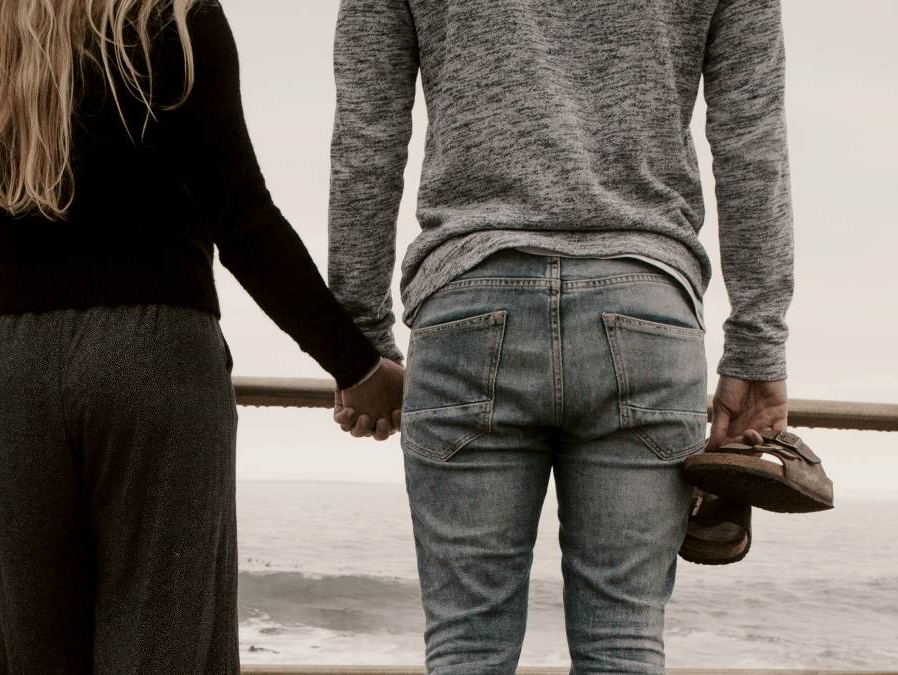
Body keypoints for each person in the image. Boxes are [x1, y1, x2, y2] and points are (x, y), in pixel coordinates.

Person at [0, 0, 402, 671]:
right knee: (162, 643)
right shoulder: (173, 17)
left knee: (39, 649)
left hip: (20, 372)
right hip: (160, 359)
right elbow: (242, 218)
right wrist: (356, 362)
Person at [328, 0, 793, 671]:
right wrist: (757, 342)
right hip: (645, 312)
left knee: (466, 646)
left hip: (469, 303)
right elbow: (753, 137)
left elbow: (365, 135)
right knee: (624, 646)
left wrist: (361, 342)